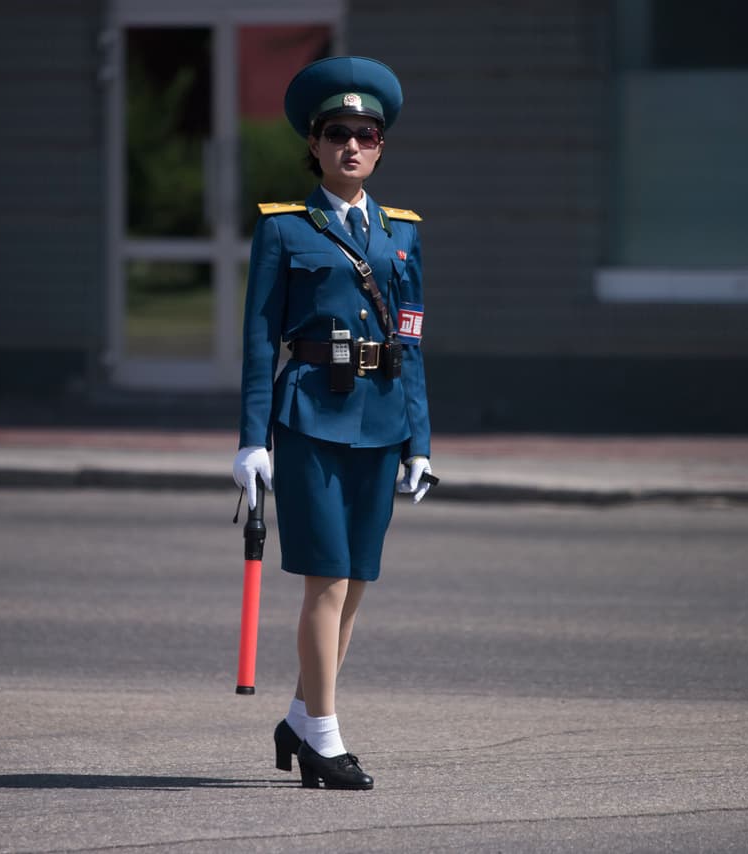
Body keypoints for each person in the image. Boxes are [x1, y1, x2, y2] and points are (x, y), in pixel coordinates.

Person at [232, 55, 433, 791]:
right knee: (327, 580)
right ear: (313, 145)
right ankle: (324, 737)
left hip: (380, 420)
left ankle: (298, 715)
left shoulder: (403, 234)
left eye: (368, 133)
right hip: (311, 415)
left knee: (355, 586)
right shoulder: (285, 232)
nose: (353, 145)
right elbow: (260, 339)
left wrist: (421, 441)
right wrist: (253, 440)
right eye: (337, 132)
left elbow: (409, 341)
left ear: (382, 146)